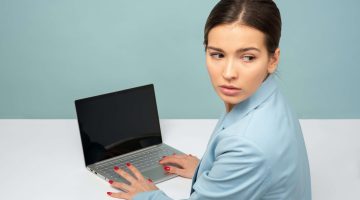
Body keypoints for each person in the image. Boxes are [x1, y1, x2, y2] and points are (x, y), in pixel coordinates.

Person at [106, 0, 312, 199]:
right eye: (218, 55)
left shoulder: (247, 147)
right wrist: (208, 171)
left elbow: (251, 151)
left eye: (247, 57)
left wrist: (148, 196)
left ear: (272, 60)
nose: (229, 73)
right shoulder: (266, 93)